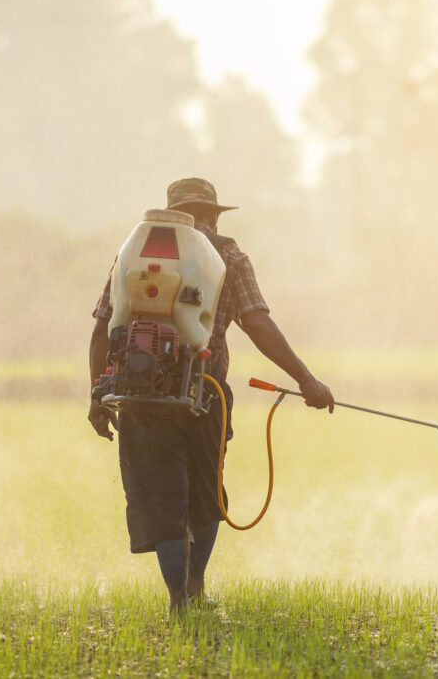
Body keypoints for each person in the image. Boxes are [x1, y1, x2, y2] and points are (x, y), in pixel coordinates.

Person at [87, 177, 334, 614]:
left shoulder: (133, 253)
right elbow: (258, 325)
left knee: (162, 497)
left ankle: (177, 598)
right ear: (213, 215)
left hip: (140, 399)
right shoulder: (229, 256)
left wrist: (96, 396)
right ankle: (195, 588)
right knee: (205, 496)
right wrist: (307, 381)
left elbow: (103, 329)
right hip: (205, 393)